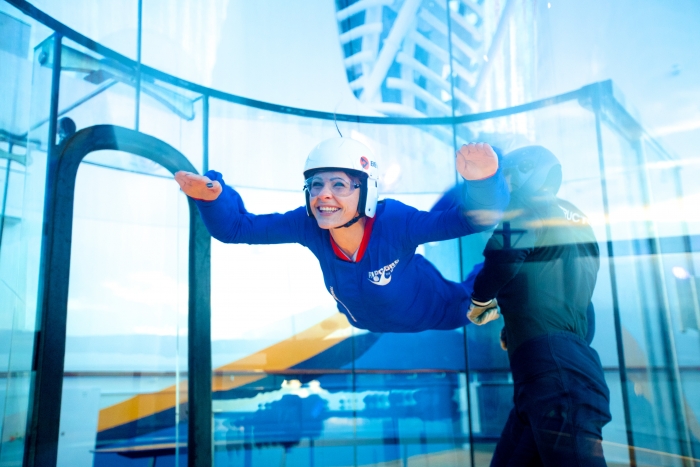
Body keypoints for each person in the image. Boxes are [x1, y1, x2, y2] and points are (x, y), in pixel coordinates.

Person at [175, 137, 509, 333]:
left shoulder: (395, 221)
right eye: (316, 185)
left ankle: (508, 243)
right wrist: (213, 198)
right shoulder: (309, 226)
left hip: (443, 311)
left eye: (338, 185)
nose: (323, 195)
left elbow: (472, 220)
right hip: (364, 320)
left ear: (367, 193)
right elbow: (236, 228)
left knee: (485, 283)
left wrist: (483, 182)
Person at [466, 146, 612, 466]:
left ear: (528, 171)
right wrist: (517, 325)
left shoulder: (526, 207)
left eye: (510, 177)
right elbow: (568, 294)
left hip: (553, 377)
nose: (508, 186)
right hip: (553, 373)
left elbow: (504, 258)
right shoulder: (577, 218)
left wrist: (480, 300)